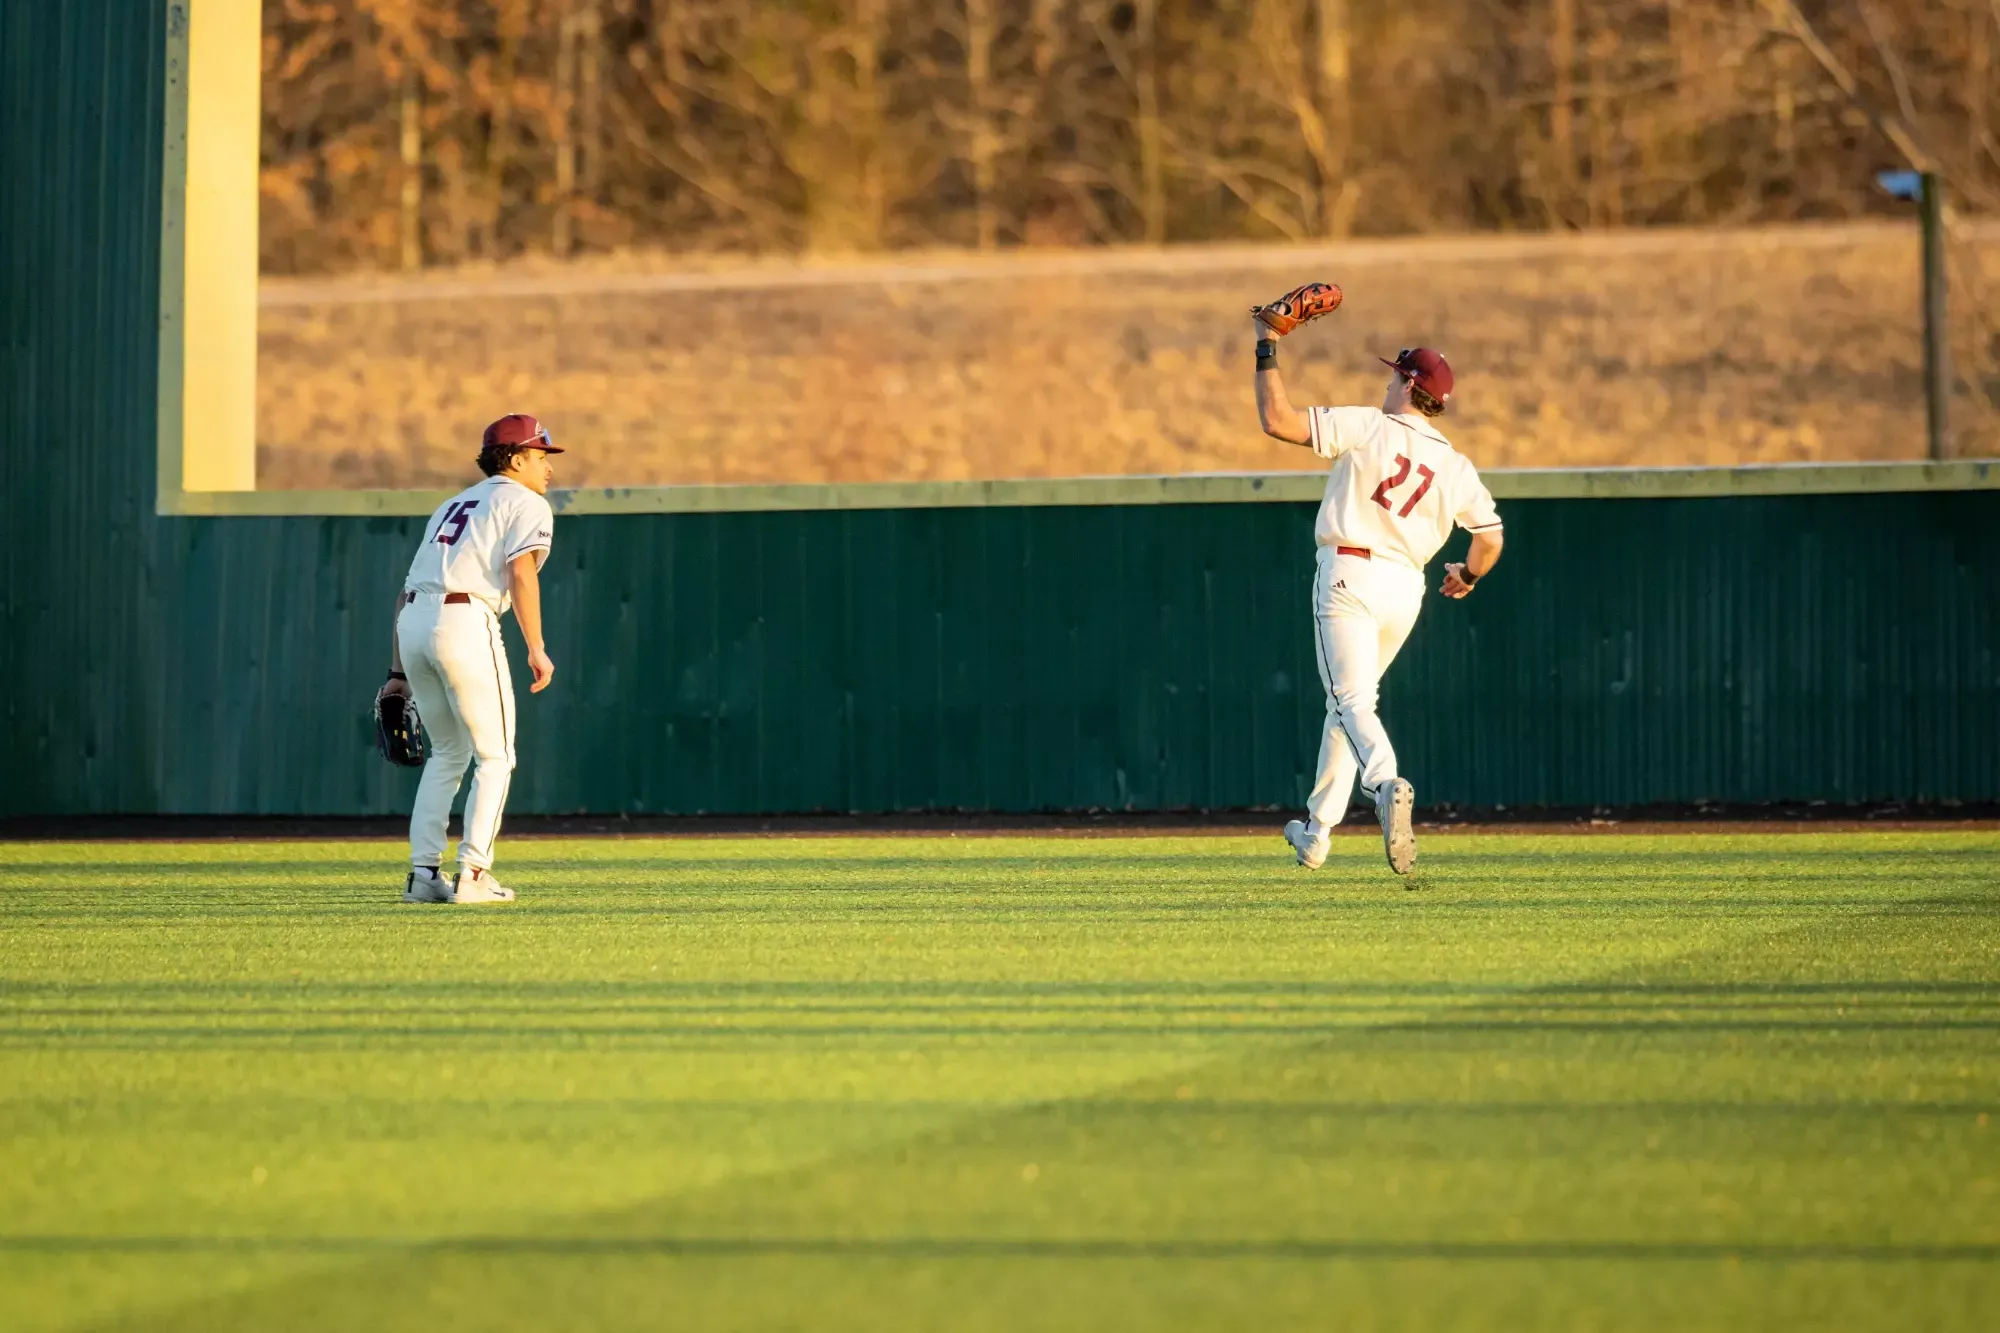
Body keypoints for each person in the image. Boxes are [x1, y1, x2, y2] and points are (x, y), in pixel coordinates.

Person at [1252, 331, 1504, 875]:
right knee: (1345, 706)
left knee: (1350, 701)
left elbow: (1277, 420)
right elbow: (1490, 538)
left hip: (1351, 571)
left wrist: (1266, 347)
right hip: (1404, 590)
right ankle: (1317, 833)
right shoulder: (1454, 463)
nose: (1387, 381)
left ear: (1408, 385)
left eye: (1395, 374)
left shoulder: (1368, 425)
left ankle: (1385, 781)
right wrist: (1469, 575)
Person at [378, 414, 561, 904]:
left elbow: (404, 594)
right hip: (465, 621)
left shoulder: (452, 504)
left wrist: (398, 674)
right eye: (542, 455)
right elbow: (521, 574)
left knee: (448, 755)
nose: (549, 467)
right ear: (517, 458)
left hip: (414, 622)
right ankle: (474, 874)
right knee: (496, 756)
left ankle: (422, 876)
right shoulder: (526, 503)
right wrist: (537, 647)